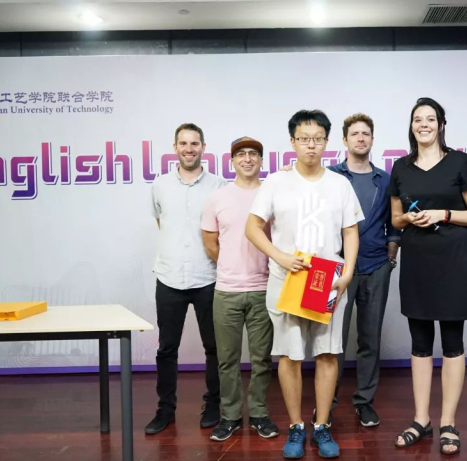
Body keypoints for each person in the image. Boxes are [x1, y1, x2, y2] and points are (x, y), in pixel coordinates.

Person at [246, 110, 362, 459]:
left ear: (327, 142)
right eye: (304, 139)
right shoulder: (276, 182)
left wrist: (348, 273)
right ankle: (296, 426)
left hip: (328, 280)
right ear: (292, 142)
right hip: (288, 280)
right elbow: (252, 228)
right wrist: (279, 256)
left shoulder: (340, 184)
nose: (311, 145)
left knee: (327, 353)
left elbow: (350, 232)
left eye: (317, 139)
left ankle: (322, 425)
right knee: (289, 354)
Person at [388, 98, 467, 455]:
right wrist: (409, 218)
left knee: (453, 342)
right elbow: (395, 219)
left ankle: (448, 422)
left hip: (453, 262)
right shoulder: (401, 167)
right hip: (417, 262)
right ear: (411, 125)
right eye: (418, 119)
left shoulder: (460, 162)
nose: (424, 124)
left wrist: (443, 214)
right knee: (420, 342)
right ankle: (421, 419)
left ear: (441, 125)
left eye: (431, 119)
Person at [146, 123, 224, 435]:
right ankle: (165, 410)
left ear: (203, 147)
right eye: (183, 143)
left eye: (194, 143)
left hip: (208, 277)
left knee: (214, 347)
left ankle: (214, 405)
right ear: (175, 147)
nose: (189, 149)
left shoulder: (219, 186)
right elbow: (160, 221)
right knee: (166, 348)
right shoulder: (160, 185)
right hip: (169, 277)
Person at [201, 136, 279, 443]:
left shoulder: (272, 194)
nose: (248, 159)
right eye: (241, 154)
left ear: (261, 160)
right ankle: (230, 416)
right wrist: (232, 266)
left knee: (262, 359)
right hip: (227, 291)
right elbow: (210, 242)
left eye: (253, 154)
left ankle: (259, 413)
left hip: (264, 289)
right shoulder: (217, 198)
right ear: (232, 161)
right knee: (227, 360)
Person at [328, 113, 400, 427]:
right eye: (355, 134)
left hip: (375, 266)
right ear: (344, 140)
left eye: (365, 134)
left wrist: (391, 256)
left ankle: (364, 402)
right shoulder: (330, 176)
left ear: (372, 139)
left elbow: (394, 222)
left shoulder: (385, 179)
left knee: (370, 339)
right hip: (337, 268)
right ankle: (326, 404)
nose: (360, 138)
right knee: (332, 340)